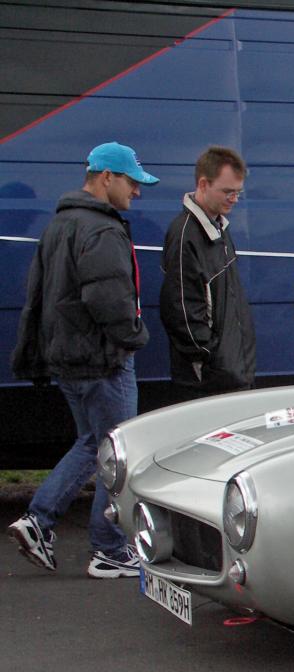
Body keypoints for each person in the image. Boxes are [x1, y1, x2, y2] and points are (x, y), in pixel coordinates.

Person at [8, 142, 157, 577]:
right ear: (106, 177)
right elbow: (108, 299)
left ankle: (39, 520)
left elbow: (35, 294)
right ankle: (108, 550)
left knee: (92, 444)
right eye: (131, 182)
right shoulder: (103, 230)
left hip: (69, 359)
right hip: (103, 361)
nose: (137, 192)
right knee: (117, 454)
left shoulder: (60, 224)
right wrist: (135, 336)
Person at [159, 146, 254, 401]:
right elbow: (180, 311)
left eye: (238, 192)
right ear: (203, 184)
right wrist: (212, 359)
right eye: (227, 191)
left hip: (232, 372)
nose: (234, 199)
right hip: (209, 381)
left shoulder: (220, 228)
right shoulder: (185, 235)